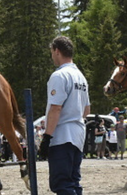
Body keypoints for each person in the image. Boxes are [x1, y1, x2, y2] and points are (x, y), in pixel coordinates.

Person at [39, 36, 90, 195]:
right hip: (78, 135)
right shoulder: (81, 76)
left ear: (57, 51)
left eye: (52, 52)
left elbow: (55, 108)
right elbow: (86, 110)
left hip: (62, 136)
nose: (52, 56)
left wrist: (47, 137)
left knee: (62, 184)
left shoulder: (59, 75)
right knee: (74, 182)